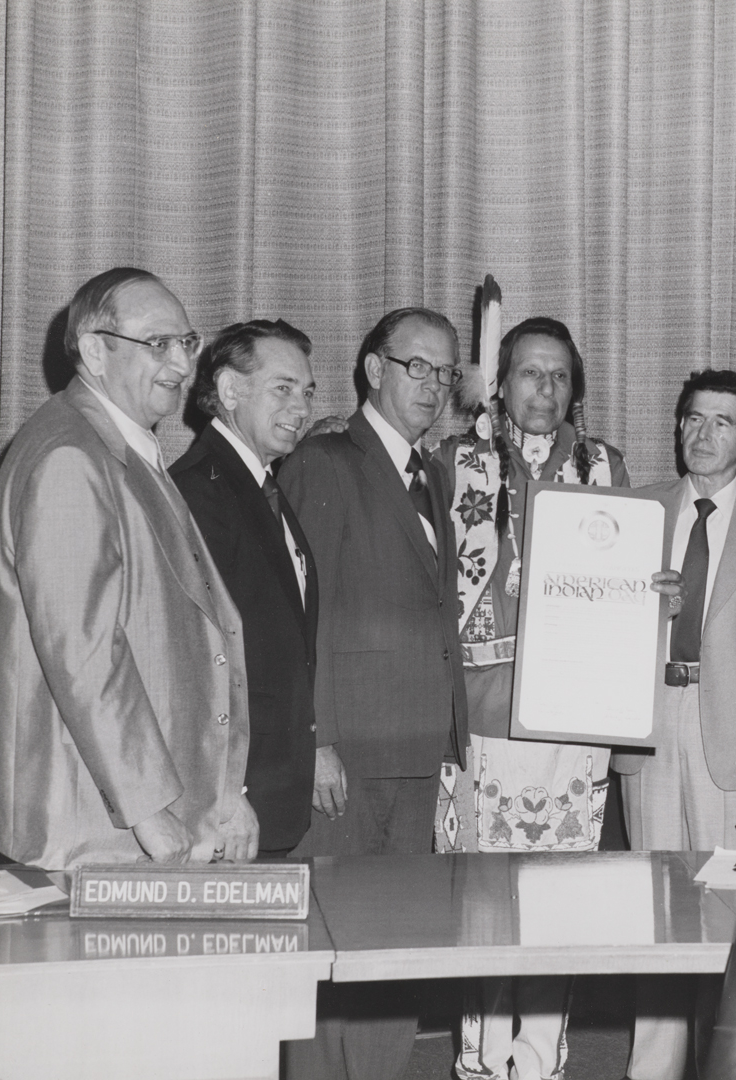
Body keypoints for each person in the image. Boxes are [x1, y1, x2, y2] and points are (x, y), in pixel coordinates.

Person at [0, 267, 255, 870]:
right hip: (91, 828)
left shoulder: (119, 446)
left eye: (187, 342)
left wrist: (223, 794)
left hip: (133, 815)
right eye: (157, 344)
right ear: (93, 351)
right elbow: (84, 652)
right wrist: (146, 806)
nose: (183, 365)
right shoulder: (69, 457)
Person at [279, 307, 468, 1080]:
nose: (431, 385)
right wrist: (316, 736)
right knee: (328, 951)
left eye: (445, 372)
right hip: (348, 749)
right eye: (415, 366)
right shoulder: (326, 461)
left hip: (416, 745)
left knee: (397, 955)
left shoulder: (432, 471)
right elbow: (302, 610)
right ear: (374, 370)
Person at [437, 316, 628, 1080]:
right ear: (499, 382)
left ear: (573, 386)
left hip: (572, 717)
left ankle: (541, 1056)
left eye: (558, 375)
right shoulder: (454, 462)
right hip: (481, 714)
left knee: (560, 899)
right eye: (528, 373)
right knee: (482, 899)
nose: (544, 389)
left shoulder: (604, 465)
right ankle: (480, 1059)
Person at [612, 369, 736, 1080]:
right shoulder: (637, 510)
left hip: (732, 734)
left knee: (730, 916)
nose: (702, 434)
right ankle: (649, 1068)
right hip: (650, 722)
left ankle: (734, 1065)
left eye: (721, 422)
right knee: (654, 909)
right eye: (692, 418)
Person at [171, 319, 319, 857]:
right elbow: (193, 666)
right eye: (283, 388)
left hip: (268, 792)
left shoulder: (260, 487)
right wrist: (224, 792)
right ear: (229, 390)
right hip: (230, 808)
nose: (301, 408)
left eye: (306, 392)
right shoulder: (200, 492)